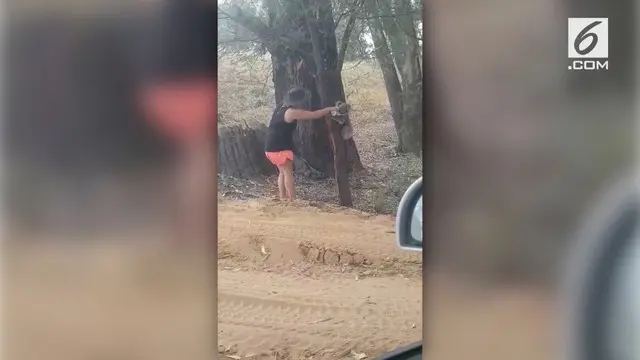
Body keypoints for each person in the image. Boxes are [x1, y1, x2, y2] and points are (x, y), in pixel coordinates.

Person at [264, 87, 339, 201]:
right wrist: (330, 109)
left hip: (270, 147)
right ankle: (292, 200)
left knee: (282, 172)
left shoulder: (280, 107)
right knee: (288, 173)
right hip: (280, 148)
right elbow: (314, 115)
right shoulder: (292, 112)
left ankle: (283, 198)